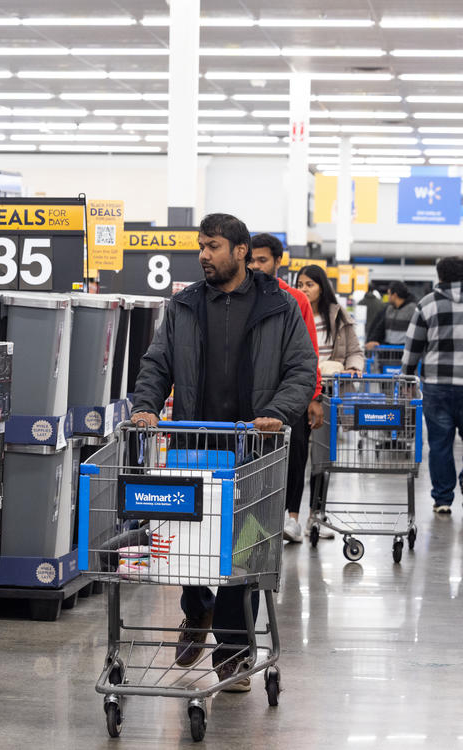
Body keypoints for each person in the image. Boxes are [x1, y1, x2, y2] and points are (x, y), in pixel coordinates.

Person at [131, 213, 317, 691]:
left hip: (254, 447)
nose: (203, 255)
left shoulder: (281, 306)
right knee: (187, 543)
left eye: (212, 247)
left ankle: (233, 651)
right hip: (196, 443)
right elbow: (157, 363)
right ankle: (197, 611)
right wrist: (147, 406)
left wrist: (279, 411)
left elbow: (301, 369)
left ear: (239, 251)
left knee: (242, 550)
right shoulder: (185, 305)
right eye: (201, 247)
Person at [248, 234, 323, 544]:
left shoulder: (295, 300)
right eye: (250, 259)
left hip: (291, 396)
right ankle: (256, 520)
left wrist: (313, 396)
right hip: (255, 397)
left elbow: (309, 353)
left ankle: (292, 517)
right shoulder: (240, 298)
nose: (255, 266)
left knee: (295, 454)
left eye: (262, 260)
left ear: (278, 262)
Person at [296, 264, 365, 533]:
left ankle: (317, 514)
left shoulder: (338, 317)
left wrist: (354, 368)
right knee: (297, 455)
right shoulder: (295, 312)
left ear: (322, 287)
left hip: (329, 392)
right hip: (299, 391)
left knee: (322, 458)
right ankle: (292, 517)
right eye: (300, 284)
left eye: (309, 284)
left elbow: (355, 351)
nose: (303, 289)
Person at [402, 257, 463, 513]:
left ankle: (443, 500)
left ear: (439, 276)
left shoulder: (426, 304)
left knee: (439, 444)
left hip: (437, 386)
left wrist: (407, 377)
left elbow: (413, 346)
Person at [366, 281, 417, 349]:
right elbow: (380, 327)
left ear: (395, 295)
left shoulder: (412, 309)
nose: (388, 297)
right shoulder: (389, 309)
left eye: (389, 294)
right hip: (388, 352)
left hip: (404, 351)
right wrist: (373, 340)